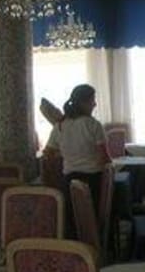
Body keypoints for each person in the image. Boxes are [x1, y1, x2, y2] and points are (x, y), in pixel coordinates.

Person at [44, 84, 110, 219]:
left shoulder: (60, 126)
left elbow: (48, 153)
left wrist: (65, 154)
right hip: (93, 180)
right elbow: (104, 157)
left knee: (74, 218)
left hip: (69, 181)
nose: (95, 104)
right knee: (95, 216)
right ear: (83, 103)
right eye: (92, 100)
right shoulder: (93, 125)